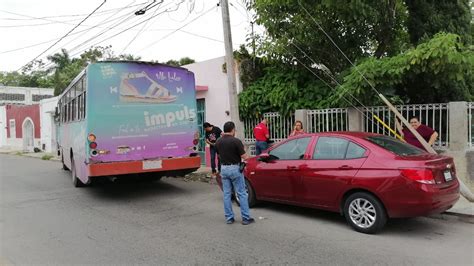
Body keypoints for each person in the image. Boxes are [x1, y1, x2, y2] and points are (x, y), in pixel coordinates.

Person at [215, 121, 255, 225]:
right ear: (232, 130)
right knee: (241, 193)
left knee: (227, 194)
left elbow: (219, 155)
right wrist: (246, 153)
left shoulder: (218, 142)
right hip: (234, 168)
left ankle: (229, 218)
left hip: (224, 169)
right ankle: (246, 218)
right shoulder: (236, 141)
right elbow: (245, 157)